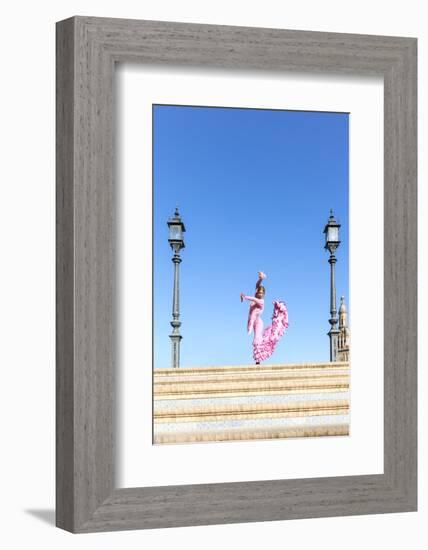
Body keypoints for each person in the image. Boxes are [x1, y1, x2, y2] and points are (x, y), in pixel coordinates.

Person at [240, 272, 289, 365]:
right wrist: (261, 279)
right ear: (257, 292)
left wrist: (245, 297)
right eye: (259, 292)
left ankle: (258, 360)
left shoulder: (261, 301)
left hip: (258, 322)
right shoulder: (256, 295)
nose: (261, 294)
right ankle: (258, 359)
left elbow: (254, 300)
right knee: (256, 339)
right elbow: (257, 285)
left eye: (262, 293)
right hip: (253, 322)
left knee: (256, 339)